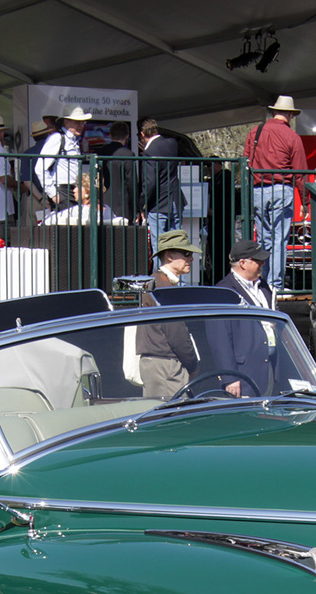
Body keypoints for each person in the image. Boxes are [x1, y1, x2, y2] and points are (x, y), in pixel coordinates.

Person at [244, 95, 308, 295]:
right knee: (280, 238)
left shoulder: (256, 131)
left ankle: (262, 281)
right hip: (282, 189)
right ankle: (276, 284)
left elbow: (245, 161)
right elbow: (300, 171)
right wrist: (305, 200)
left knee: (263, 239)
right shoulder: (292, 137)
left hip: (258, 189)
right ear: (289, 114)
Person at [135, 230, 203, 398]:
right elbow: (176, 333)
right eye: (186, 254)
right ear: (169, 255)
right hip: (166, 365)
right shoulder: (163, 287)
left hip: (159, 364)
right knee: (175, 417)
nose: (191, 259)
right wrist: (193, 365)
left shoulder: (156, 282)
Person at [209, 238, 277, 396]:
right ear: (243, 263)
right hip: (243, 374)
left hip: (269, 370)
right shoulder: (224, 292)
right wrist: (230, 377)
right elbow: (219, 339)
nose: (262, 264)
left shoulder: (265, 288)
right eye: (258, 260)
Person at [139, 117, 183, 250]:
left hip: (158, 204)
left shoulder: (149, 152)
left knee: (160, 247)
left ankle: (162, 271)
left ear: (142, 134)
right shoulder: (172, 143)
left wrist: (142, 204)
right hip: (175, 200)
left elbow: (150, 182)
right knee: (177, 245)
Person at [39, 107, 91, 207]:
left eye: (82, 122)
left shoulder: (73, 140)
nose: (81, 125)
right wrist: (53, 194)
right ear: (66, 122)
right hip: (62, 190)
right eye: (77, 122)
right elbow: (40, 168)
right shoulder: (57, 138)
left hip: (72, 190)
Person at [43, 173, 127, 225]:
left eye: (78, 187)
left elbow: (48, 221)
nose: (74, 190)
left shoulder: (78, 210)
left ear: (87, 192)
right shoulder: (108, 210)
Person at [100, 121, 138, 223]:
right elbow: (131, 183)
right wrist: (135, 208)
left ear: (110, 135)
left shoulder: (101, 152)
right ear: (127, 136)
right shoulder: (128, 154)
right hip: (122, 204)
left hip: (103, 202)